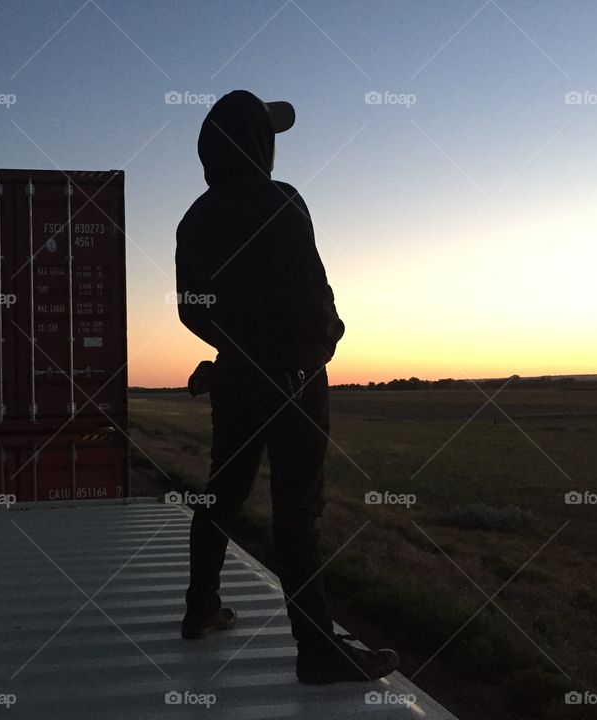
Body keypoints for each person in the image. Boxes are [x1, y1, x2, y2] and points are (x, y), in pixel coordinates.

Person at [174, 89, 400, 684]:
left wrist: (234, 350)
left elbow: (191, 310)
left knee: (221, 494)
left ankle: (200, 609)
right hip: (293, 381)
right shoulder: (282, 201)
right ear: (259, 145)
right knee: (296, 512)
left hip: (236, 380)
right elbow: (311, 294)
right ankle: (317, 651)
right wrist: (325, 342)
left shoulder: (194, 219)